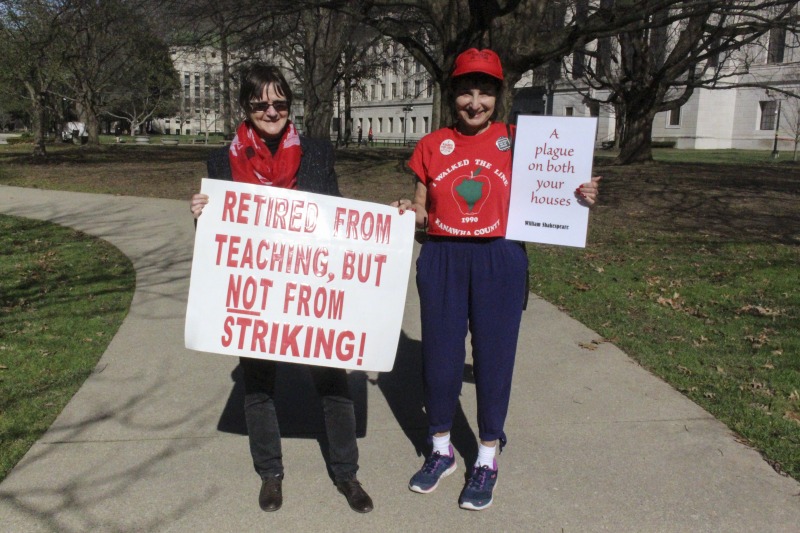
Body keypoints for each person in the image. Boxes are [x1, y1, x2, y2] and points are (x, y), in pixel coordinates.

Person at [392, 48, 600, 511]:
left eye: (484, 91)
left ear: (498, 96)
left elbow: (553, 188)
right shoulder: (431, 145)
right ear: (452, 95)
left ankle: (487, 455)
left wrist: (580, 193)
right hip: (442, 256)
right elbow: (424, 211)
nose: (474, 101)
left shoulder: (519, 139)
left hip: (499, 258)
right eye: (466, 90)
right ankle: (441, 450)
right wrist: (411, 213)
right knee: (441, 359)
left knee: (493, 359)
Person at [189, 64, 373, 514]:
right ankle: (270, 474)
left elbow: (337, 213)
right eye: (260, 103)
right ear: (245, 108)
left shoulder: (316, 151)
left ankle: (347, 474)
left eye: (280, 103)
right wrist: (200, 217)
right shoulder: (220, 161)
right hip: (256, 289)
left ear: (290, 106)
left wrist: (382, 226)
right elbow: (219, 241)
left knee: (332, 380)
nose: (271, 110)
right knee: (258, 386)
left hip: (311, 285)